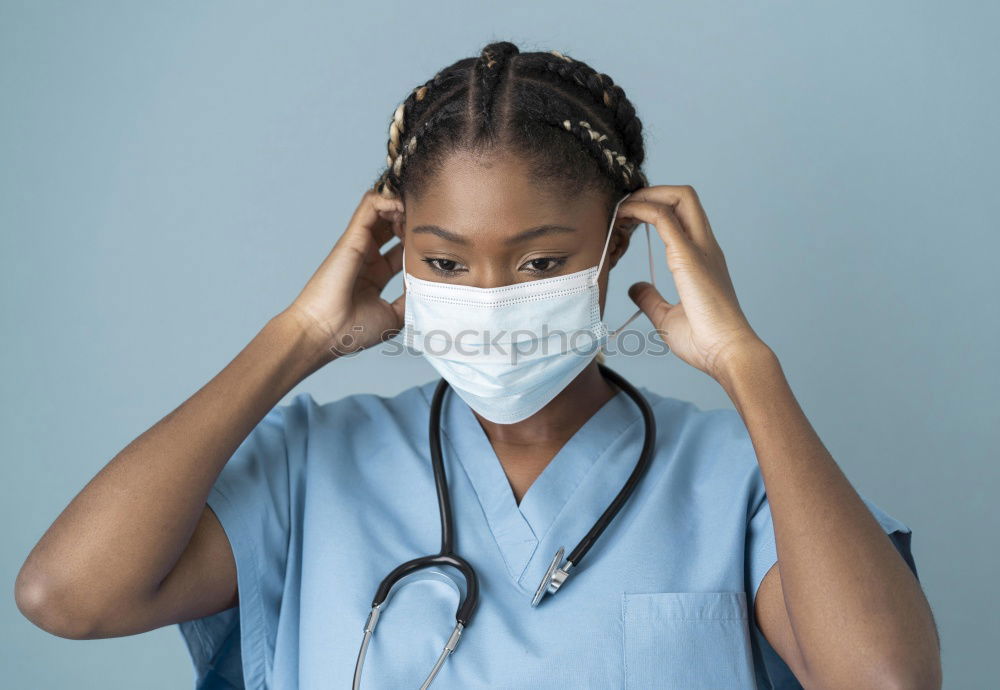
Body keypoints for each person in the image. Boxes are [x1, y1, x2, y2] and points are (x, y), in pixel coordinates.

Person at [15, 41, 941, 689]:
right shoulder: (314, 465)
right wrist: (297, 336)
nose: (492, 295)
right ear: (397, 251)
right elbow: (67, 596)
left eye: (540, 261)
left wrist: (749, 366)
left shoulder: (741, 476)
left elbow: (885, 681)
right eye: (446, 262)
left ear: (618, 247)